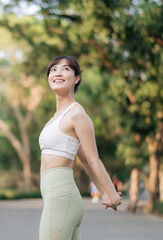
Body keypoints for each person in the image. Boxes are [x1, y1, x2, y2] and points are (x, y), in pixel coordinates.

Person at [38, 56, 122, 240]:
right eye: (53, 69)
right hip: (60, 199)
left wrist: (112, 194)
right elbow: (83, 159)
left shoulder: (77, 114)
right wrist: (104, 193)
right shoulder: (57, 117)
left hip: (61, 199)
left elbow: (93, 159)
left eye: (65, 69)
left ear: (76, 78)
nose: (58, 72)